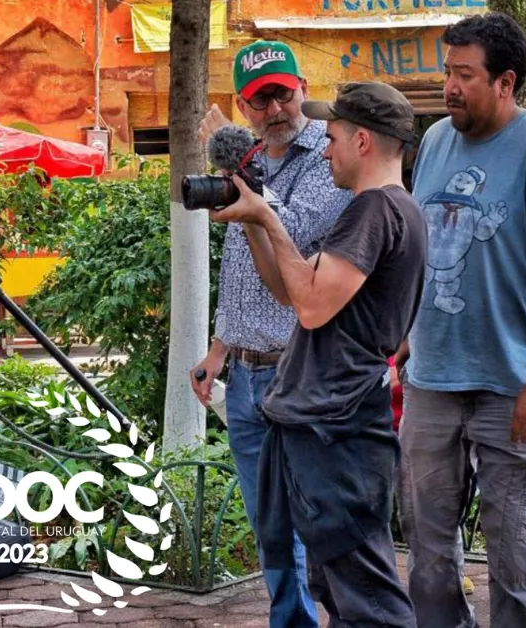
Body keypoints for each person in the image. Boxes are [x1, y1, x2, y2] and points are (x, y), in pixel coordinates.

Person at [396, 12, 526, 627]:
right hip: (432, 380)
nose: (449, 87)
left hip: (510, 386)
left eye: (464, 75)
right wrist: (407, 334)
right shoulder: (434, 141)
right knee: (427, 550)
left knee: (514, 553)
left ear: (505, 82)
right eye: (447, 72)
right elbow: (425, 246)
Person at [210, 80, 426, 627]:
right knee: (339, 589)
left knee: (370, 600)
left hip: (340, 429)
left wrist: (269, 219)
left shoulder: (375, 210)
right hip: (332, 424)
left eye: (332, 138)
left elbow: (307, 307)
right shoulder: (389, 210)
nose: (325, 150)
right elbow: (291, 288)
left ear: (362, 142)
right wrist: (255, 220)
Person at [191, 39, 352, 627]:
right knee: (268, 520)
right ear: (244, 105)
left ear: (303, 89)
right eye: (260, 100)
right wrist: (218, 349)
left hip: (301, 366)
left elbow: (297, 227)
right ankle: (291, 620)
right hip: (245, 373)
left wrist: (239, 167)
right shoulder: (250, 159)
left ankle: (350, 615)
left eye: (283, 94)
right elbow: (241, 267)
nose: (275, 110)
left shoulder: (329, 153)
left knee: (319, 511)